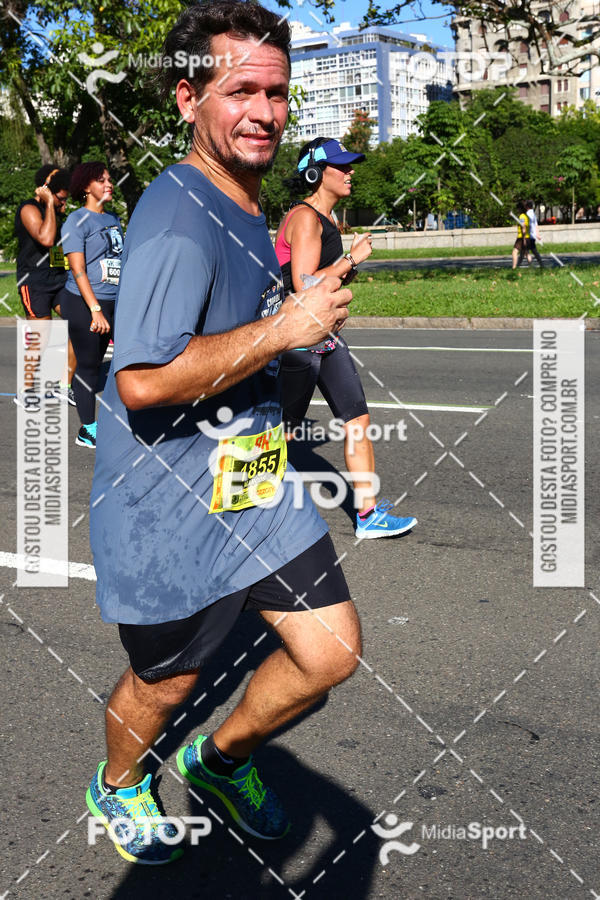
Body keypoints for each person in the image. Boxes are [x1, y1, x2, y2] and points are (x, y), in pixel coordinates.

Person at [86, 0, 360, 866]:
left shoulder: (241, 198)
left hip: (252, 480)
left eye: (276, 93)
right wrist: (284, 330)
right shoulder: (178, 215)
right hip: (171, 505)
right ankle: (118, 780)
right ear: (188, 98)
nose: (264, 112)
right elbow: (142, 380)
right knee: (166, 684)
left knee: (329, 651)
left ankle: (218, 760)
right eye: (240, 90)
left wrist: (291, 316)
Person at [274, 137, 417, 538]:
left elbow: (329, 281)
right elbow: (304, 284)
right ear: (316, 173)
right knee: (282, 431)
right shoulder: (305, 218)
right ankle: (246, 505)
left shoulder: (329, 219)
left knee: (357, 419)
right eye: (342, 166)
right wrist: (351, 259)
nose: (351, 172)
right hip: (298, 340)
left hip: (326, 336)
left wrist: (348, 265)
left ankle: (368, 515)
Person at [61, 162, 124, 448]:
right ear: (86, 187)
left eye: (109, 179)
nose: (109, 184)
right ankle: (87, 429)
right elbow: (78, 270)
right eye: (101, 180)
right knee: (88, 366)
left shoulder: (113, 219)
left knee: (115, 361)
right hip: (83, 303)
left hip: (113, 301)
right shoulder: (76, 221)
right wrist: (95, 309)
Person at [14, 165, 76, 404]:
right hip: (34, 282)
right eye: (61, 198)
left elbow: (57, 250)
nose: (63, 203)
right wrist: (50, 203)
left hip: (58, 280)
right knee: (42, 336)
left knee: (80, 324)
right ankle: (25, 390)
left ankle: (64, 385)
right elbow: (46, 239)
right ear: (45, 188)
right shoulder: (29, 208)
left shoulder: (56, 212)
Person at [525, 200, 544, 268]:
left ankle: (533, 265)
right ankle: (539, 264)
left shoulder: (527, 214)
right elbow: (536, 225)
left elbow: (527, 225)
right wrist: (537, 234)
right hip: (533, 236)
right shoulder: (533, 214)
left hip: (528, 235)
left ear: (526, 206)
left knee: (530, 250)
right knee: (532, 250)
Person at [512, 202, 530, 269]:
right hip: (527, 236)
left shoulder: (522, 216)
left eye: (517, 209)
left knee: (514, 252)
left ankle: (514, 267)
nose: (517, 210)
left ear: (520, 209)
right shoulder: (526, 216)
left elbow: (523, 227)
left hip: (521, 237)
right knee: (525, 253)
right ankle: (531, 266)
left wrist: (524, 238)